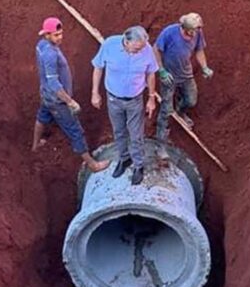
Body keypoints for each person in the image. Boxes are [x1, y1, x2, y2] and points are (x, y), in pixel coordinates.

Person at [33, 17, 109, 173]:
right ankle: (93, 165)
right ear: (47, 34)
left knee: (42, 116)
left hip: (45, 93)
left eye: (61, 33)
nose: (60, 37)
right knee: (74, 129)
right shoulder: (50, 54)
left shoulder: (41, 45)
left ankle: (35, 145)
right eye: (56, 35)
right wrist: (70, 102)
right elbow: (54, 83)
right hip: (57, 100)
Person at [91, 25, 158, 186]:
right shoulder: (109, 45)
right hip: (113, 99)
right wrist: (95, 92)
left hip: (135, 100)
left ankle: (138, 165)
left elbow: (151, 73)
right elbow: (98, 67)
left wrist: (151, 98)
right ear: (126, 41)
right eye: (136, 48)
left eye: (141, 48)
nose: (139, 51)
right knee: (119, 131)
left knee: (136, 135)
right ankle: (124, 158)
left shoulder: (146, 49)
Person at [154, 12, 213, 145]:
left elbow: (199, 50)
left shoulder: (197, 33)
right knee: (166, 110)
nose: (196, 33)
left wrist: (204, 67)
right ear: (185, 28)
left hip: (186, 74)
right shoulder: (169, 32)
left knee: (191, 100)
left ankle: (180, 111)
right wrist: (162, 71)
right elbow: (156, 49)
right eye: (193, 30)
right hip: (169, 76)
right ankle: (161, 139)